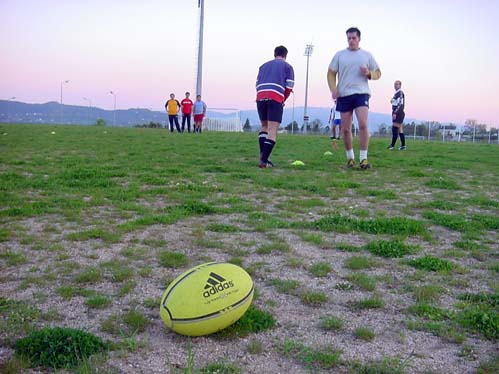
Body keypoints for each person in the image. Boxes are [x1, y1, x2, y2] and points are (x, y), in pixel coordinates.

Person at [327, 27, 381, 169]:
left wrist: (368, 73)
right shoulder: (340, 55)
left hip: (361, 93)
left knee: (363, 124)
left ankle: (363, 159)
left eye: (353, 38)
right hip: (344, 94)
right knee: (345, 129)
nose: (351, 41)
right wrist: (334, 89)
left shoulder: (366, 55)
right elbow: (331, 73)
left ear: (359, 39)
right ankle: (350, 158)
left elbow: (378, 72)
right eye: (349, 38)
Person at [256, 45, 295, 168]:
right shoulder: (287, 67)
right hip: (275, 98)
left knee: (264, 126)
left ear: (275, 54)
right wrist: (283, 98)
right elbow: (289, 86)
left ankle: (263, 156)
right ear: (285, 55)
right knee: (272, 130)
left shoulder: (263, 66)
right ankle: (264, 161)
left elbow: (257, 83)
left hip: (260, 96)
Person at [388, 80, 406, 150]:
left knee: (395, 127)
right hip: (397, 112)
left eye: (397, 84)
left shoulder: (400, 93)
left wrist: (395, 112)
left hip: (399, 112)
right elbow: (393, 102)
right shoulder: (396, 93)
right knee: (400, 128)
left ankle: (392, 145)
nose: (395, 85)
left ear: (400, 85)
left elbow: (400, 104)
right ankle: (403, 146)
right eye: (395, 84)